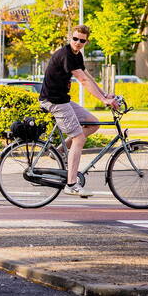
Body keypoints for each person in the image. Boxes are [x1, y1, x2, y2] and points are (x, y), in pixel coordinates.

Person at [39, 25, 119, 196]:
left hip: (63, 100)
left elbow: (87, 75)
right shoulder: (66, 54)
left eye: (82, 40)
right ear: (70, 38)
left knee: (93, 124)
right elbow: (82, 80)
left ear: (86, 41)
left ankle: (59, 151)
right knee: (79, 137)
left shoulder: (77, 55)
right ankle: (71, 184)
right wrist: (104, 100)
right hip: (53, 101)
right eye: (75, 39)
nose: (78, 43)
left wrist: (104, 94)